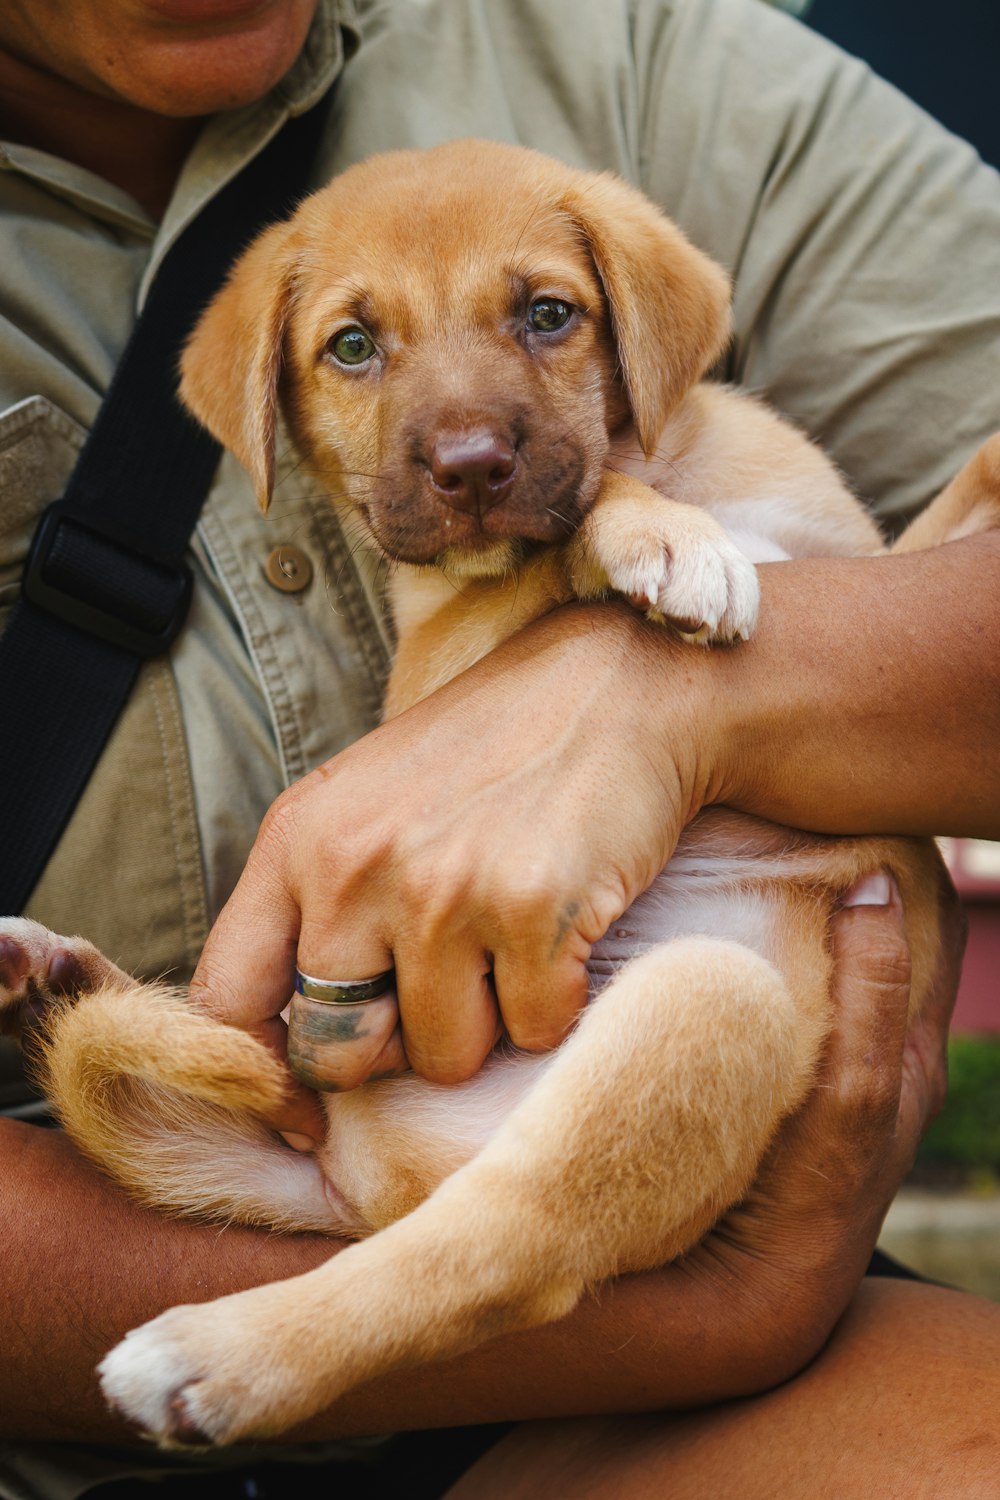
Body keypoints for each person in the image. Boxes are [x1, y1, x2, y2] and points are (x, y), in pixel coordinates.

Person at [1, 0, 998, 1495]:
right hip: (185, 1360)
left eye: (545, 316)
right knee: (707, 1006)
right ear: (267, 410)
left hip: (572, 1267)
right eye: (355, 351)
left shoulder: (634, 60)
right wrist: (712, 1319)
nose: (467, 440)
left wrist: (701, 697)